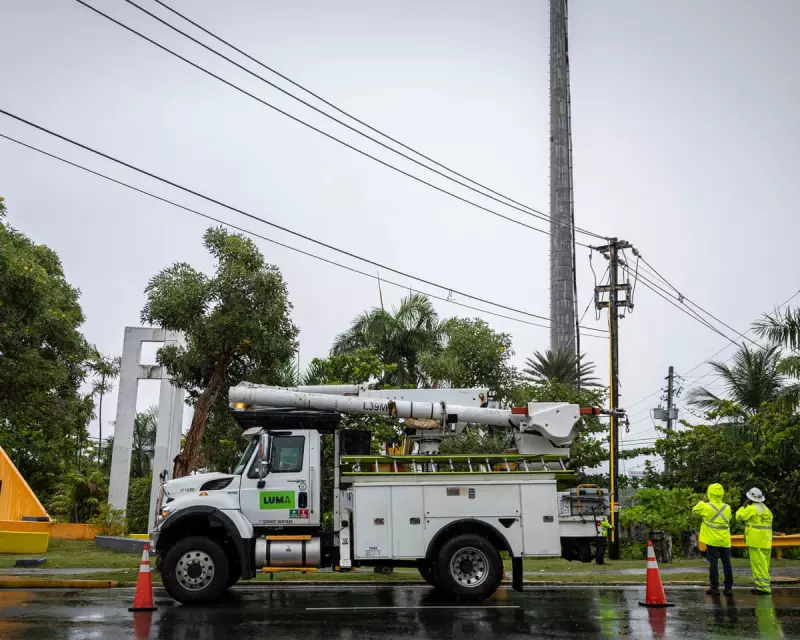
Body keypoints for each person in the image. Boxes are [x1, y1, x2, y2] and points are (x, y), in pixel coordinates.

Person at [692, 482, 733, 595]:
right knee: (727, 563)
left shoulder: (706, 506)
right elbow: (729, 518)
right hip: (724, 540)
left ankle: (714, 587)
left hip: (712, 540)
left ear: (709, 493)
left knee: (713, 563)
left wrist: (703, 500)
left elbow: (695, 510)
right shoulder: (727, 507)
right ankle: (728, 587)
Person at [736, 487, 774, 595]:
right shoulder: (767, 510)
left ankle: (762, 588)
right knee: (764, 564)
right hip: (766, 540)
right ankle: (763, 585)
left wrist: (743, 507)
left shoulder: (751, 508)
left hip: (755, 540)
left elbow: (739, 517)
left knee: (758, 564)